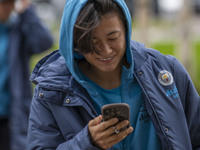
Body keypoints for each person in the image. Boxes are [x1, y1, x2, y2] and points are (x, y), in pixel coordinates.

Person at [27, 0, 200, 149]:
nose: (106, 50)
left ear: (126, 30)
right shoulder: (49, 92)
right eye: (92, 43)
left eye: (113, 38)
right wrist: (87, 143)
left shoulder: (166, 71)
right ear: (74, 42)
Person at [0, 0, 53, 149]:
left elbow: (44, 41)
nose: (6, 8)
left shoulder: (18, 30)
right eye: (3, 3)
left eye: (9, 3)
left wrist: (27, 10)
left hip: (11, 113)